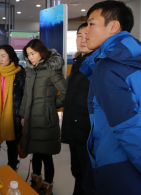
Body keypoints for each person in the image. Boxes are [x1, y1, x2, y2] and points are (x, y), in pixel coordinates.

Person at [79, 0, 141, 195]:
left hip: (125, 170)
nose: (85, 31)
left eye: (91, 24)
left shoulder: (109, 68)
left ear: (114, 26)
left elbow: (130, 131)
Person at [20, 39, 67, 195]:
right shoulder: (30, 71)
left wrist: (52, 104)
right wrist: (23, 115)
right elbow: (26, 95)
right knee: (35, 151)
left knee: (46, 154)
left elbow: (66, 92)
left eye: (33, 53)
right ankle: (35, 180)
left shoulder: (51, 70)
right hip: (31, 118)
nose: (30, 57)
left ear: (42, 51)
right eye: (28, 55)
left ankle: (48, 185)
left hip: (46, 119)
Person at [61, 22, 97, 195]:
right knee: (78, 174)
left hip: (88, 134)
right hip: (75, 130)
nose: (83, 39)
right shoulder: (78, 62)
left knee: (88, 181)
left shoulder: (97, 64)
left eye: (87, 35)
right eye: (79, 35)